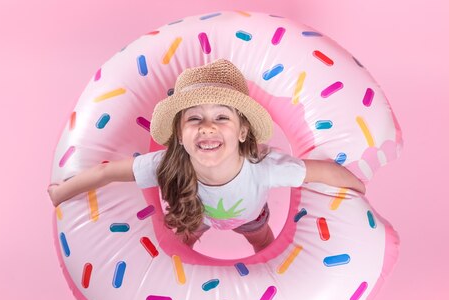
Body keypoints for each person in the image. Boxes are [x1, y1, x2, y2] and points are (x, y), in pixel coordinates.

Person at [48, 59, 365, 253]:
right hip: (193, 215)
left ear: (242, 132)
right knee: (181, 247)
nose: (208, 127)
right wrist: (61, 192)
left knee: (264, 243)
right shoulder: (164, 165)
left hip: (251, 217)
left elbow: (322, 172)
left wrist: (359, 190)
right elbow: (107, 173)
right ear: (180, 135)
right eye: (194, 119)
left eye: (222, 118)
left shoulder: (265, 167)